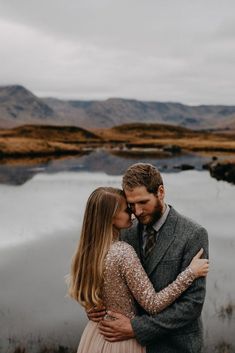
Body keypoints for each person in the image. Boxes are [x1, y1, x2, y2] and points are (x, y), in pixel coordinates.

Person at [69, 185, 209, 353]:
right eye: (127, 209)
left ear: (161, 192)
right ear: (111, 217)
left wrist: (93, 309)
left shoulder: (87, 252)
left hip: (95, 337)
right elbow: (153, 303)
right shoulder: (122, 250)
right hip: (121, 342)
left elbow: (85, 291)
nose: (134, 212)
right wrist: (190, 273)